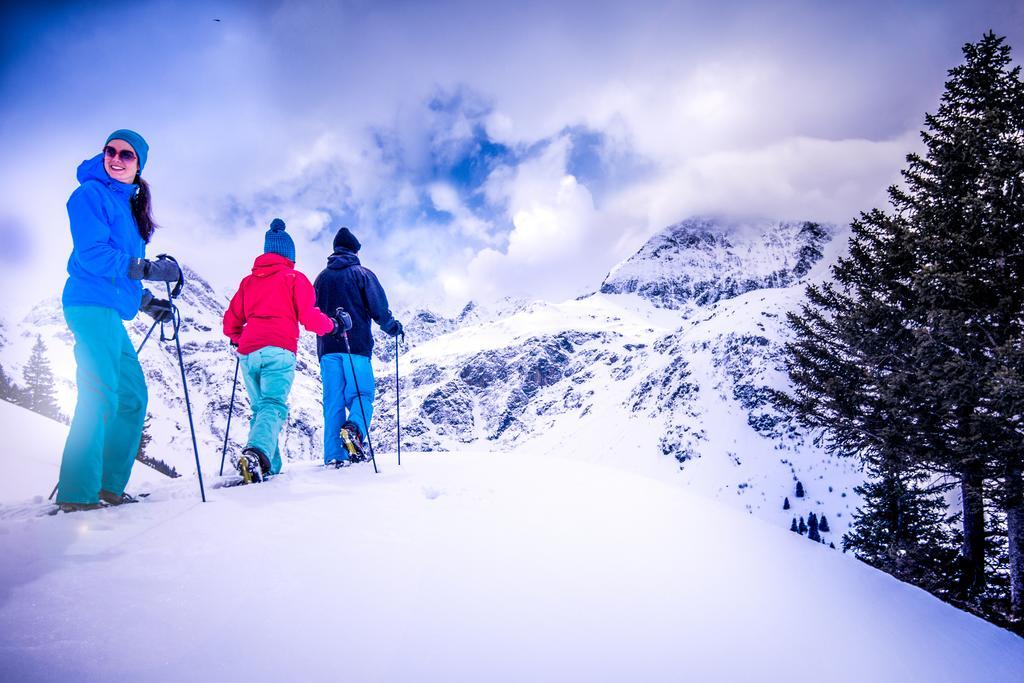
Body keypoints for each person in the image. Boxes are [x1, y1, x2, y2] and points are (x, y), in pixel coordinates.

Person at [56, 129, 181, 512]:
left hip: (109, 309)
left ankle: (109, 485)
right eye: (110, 151)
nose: (116, 158)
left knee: (131, 397)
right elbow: (93, 255)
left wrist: (148, 303)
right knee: (99, 393)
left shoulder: (129, 208)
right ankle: (78, 492)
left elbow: (119, 275)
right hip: (89, 305)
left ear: (138, 164)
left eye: (126, 155)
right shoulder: (89, 195)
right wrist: (145, 267)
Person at [222, 218, 346, 482]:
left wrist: (238, 337)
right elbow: (310, 318)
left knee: (262, 409)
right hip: (278, 350)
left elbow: (230, 321)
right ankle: (256, 454)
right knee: (273, 405)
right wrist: (333, 326)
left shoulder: (248, 282)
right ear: (289, 255)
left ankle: (268, 465)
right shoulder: (294, 278)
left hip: (248, 353)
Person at [314, 227, 403, 467]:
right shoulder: (362, 274)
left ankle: (334, 455)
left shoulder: (321, 278)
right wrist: (392, 327)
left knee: (333, 400)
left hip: (327, 349)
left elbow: (312, 312)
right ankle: (353, 430)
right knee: (361, 394)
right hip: (356, 347)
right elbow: (379, 309)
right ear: (354, 250)